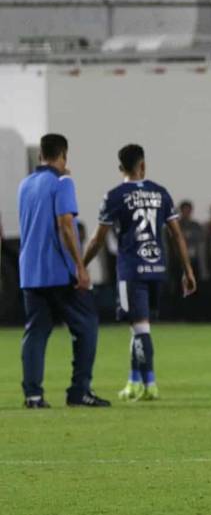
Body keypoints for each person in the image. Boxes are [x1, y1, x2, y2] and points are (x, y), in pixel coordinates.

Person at [80, 144, 198, 401]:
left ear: (121, 167)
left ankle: (150, 383)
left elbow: (97, 240)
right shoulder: (161, 193)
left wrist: (81, 264)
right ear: (143, 165)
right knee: (139, 328)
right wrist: (188, 270)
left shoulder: (115, 196)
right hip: (157, 268)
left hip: (131, 270)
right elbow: (176, 234)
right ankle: (133, 381)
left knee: (140, 328)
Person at [17, 133, 108, 408]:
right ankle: (79, 391)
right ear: (63, 155)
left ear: (41, 154)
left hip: (31, 272)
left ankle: (33, 395)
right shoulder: (62, 182)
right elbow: (65, 224)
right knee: (87, 327)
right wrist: (80, 267)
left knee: (35, 332)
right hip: (59, 271)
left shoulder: (25, 184)